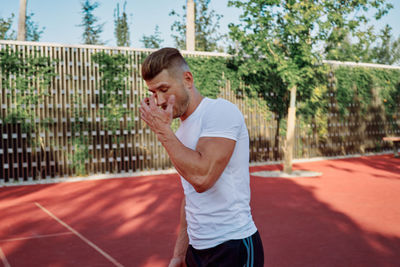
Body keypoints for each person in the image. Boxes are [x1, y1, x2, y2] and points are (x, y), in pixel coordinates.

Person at [139, 47, 264, 267]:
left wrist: (162, 132)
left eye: (163, 89)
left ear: (187, 79)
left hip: (233, 246)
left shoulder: (220, 112)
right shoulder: (178, 133)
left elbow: (202, 179)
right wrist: (180, 253)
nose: (158, 101)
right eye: (152, 93)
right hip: (196, 251)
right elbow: (190, 197)